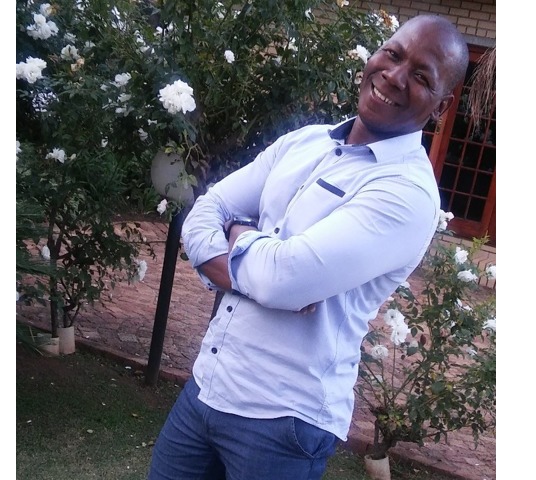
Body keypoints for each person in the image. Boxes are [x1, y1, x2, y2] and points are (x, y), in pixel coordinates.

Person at [147, 14, 469, 480]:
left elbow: (283, 279)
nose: (395, 76)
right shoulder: (304, 141)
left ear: (442, 106)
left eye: (421, 76)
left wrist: (237, 233)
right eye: (393, 54)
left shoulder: (406, 193)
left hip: (283, 423)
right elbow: (207, 209)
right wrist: (257, 265)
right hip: (206, 387)